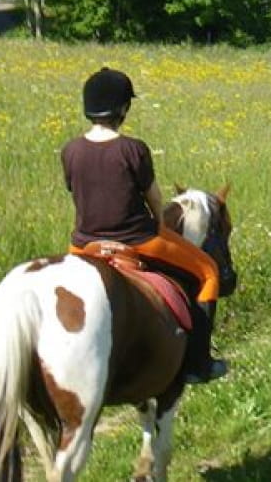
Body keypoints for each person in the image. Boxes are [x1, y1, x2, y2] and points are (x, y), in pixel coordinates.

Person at [63, 67, 227, 384]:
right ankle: (199, 362)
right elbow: (153, 198)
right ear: (123, 109)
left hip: (83, 243)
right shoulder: (133, 149)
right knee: (208, 271)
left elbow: (76, 192)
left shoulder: (70, 150)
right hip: (138, 238)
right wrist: (159, 224)